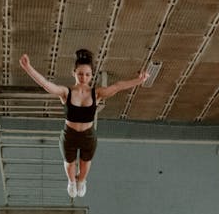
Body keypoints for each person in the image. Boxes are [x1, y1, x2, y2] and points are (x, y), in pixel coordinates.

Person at [17, 49, 149, 198]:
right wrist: (28, 68)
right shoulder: (66, 92)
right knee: (70, 162)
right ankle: (71, 182)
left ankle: (82, 181)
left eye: (87, 74)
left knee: (85, 163)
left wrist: (139, 80)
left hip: (88, 135)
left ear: (91, 75)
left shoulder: (96, 93)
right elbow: (47, 85)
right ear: (74, 73)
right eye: (80, 74)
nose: (83, 77)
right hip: (70, 134)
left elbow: (117, 86)